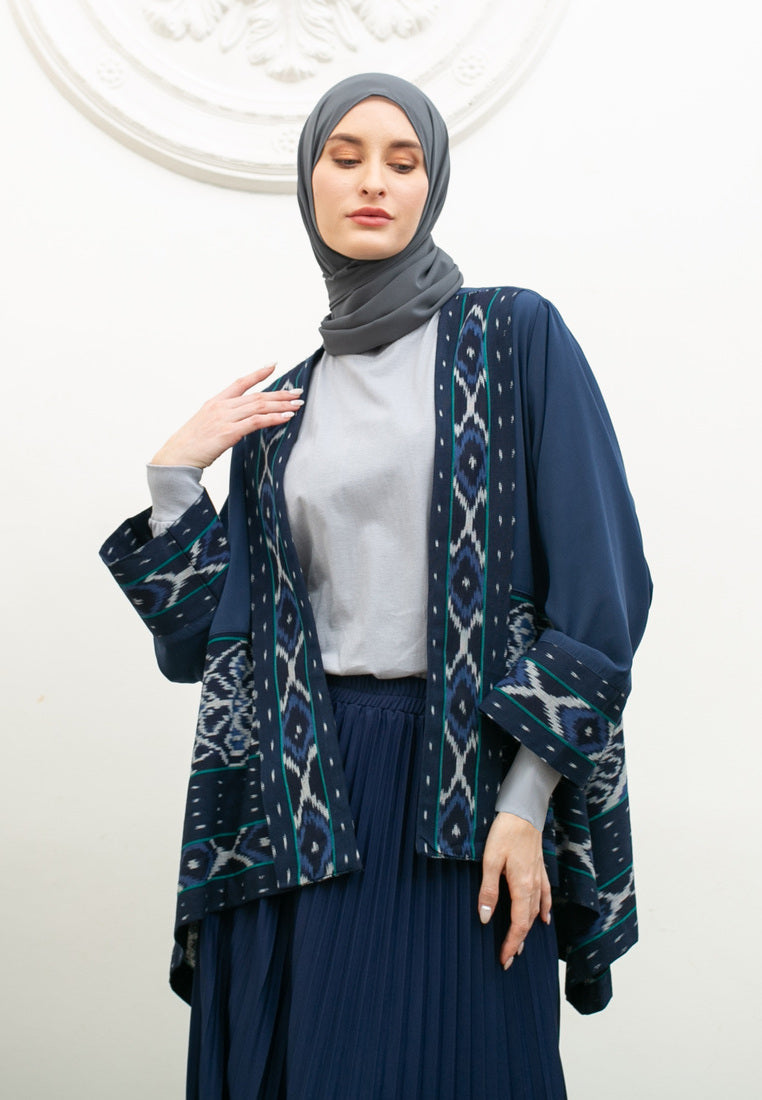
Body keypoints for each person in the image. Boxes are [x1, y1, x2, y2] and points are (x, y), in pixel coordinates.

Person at [100, 73, 651, 1100]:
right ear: (306, 181)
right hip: (300, 793)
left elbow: (603, 594)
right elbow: (207, 649)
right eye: (344, 156)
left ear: (432, 184)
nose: (372, 182)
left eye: (403, 162)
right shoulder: (282, 412)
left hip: (466, 784)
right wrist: (176, 481)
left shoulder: (512, 337)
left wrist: (525, 803)